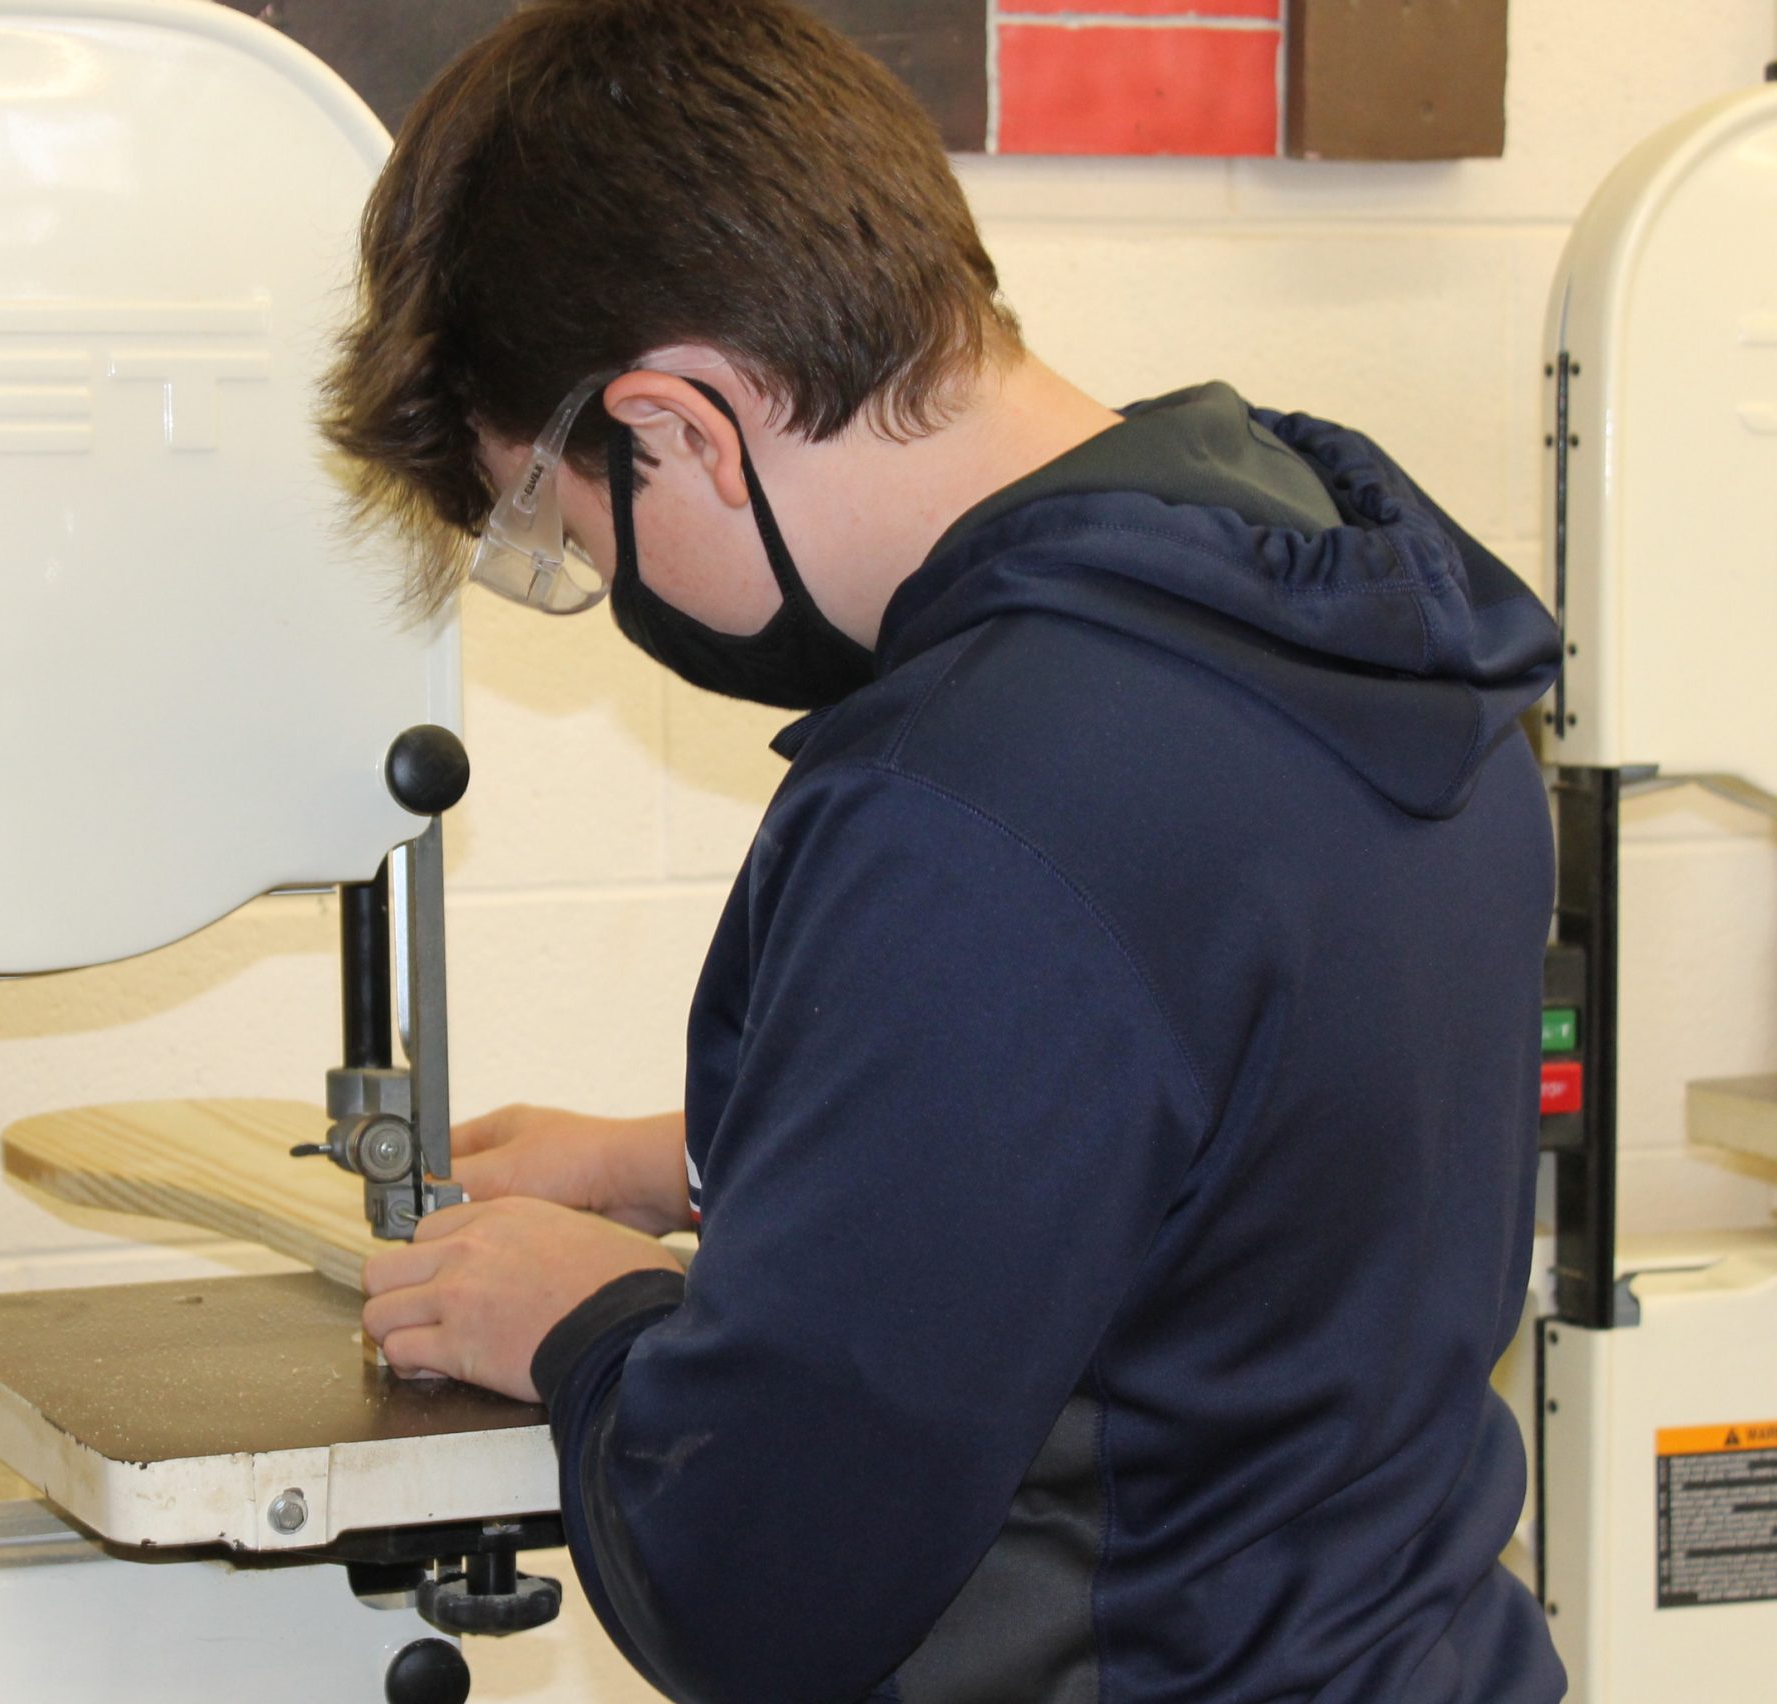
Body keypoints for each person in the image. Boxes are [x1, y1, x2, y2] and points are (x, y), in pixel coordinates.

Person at [325, 2, 1570, 1699]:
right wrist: (687, 1165)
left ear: (681, 427)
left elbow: (756, 1585)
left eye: (570, 525)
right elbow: (1222, 1146)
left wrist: (585, 1320)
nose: (605, 588)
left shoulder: (972, 807)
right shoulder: (1348, 608)